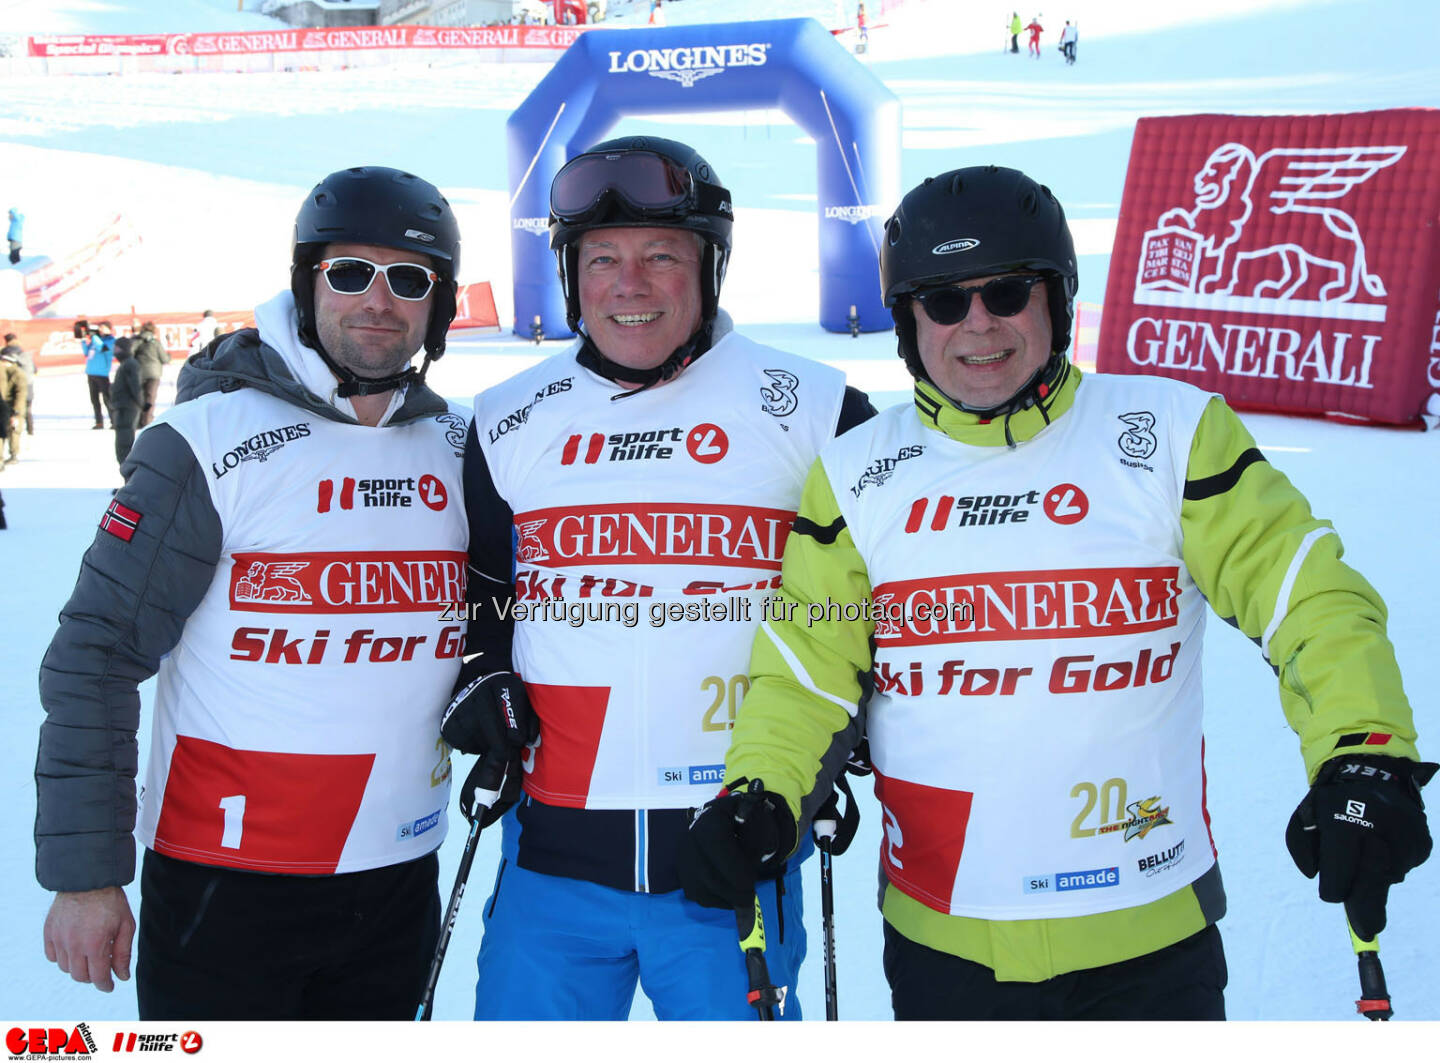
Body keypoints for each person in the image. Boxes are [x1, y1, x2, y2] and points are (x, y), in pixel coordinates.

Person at [677, 165, 1436, 1020]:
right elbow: (806, 668)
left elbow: (1309, 596)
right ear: (906, 322)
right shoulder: (856, 476)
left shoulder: (1171, 433)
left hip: (1149, 939)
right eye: (944, 302)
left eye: (1007, 292)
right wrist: (760, 791)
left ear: (1057, 301)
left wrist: (1361, 749)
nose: (979, 326)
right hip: (943, 940)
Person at [442, 135, 874, 1020]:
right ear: (571, 273)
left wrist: (833, 755)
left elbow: (868, 604)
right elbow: (483, 589)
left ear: (710, 266)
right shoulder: (508, 419)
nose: (628, 285)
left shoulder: (818, 408)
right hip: (553, 863)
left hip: (731, 856)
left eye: (660, 257)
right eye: (601, 258)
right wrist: (483, 671)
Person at [35, 165, 470, 1020]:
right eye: (349, 272)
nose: (377, 299)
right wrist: (87, 875)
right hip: (226, 883)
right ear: (308, 281)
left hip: (394, 877)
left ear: (438, 306)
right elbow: (94, 655)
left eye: (409, 279)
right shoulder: (204, 440)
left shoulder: (457, 448)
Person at [109, 335, 143, 468]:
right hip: (122, 407)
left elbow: (135, 388)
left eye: (117, 348)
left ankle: (129, 481)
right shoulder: (126, 364)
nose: (114, 351)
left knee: (124, 446)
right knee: (121, 446)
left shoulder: (130, 364)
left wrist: (141, 405)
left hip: (127, 409)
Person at [131, 321, 170, 428]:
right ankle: (147, 420)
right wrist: (169, 356)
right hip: (153, 373)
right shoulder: (156, 343)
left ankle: (138, 420)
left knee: (140, 397)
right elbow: (164, 359)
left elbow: (130, 353)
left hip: (139, 372)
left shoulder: (136, 341)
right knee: (150, 398)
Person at [81, 319, 114, 430]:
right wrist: (83, 341)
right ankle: (99, 422)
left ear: (109, 329)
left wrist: (95, 337)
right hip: (91, 373)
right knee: (94, 400)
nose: (100, 330)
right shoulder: (96, 340)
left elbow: (103, 348)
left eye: (103, 327)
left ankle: (114, 421)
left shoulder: (110, 340)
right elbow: (87, 353)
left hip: (102, 374)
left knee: (107, 399)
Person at [2, 333, 34, 435]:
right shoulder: (24, 354)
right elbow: (35, 369)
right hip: (28, 385)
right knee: (26, 409)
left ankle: (12, 436)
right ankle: (29, 431)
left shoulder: (6, 353)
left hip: (13, 387)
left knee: (12, 411)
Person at [0, 347, 25, 466]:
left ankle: (13, 454)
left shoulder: (18, 374)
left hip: (13, 406)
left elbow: (21, 394)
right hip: (5, 406)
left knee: (14, 431)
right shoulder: (5, 372)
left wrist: (16, 411)